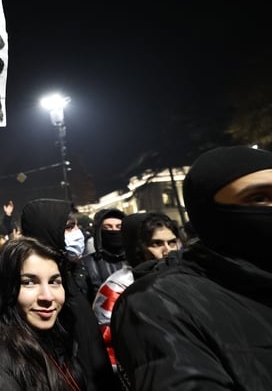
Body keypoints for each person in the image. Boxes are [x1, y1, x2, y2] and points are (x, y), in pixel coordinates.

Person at [112, 145, 272, 389]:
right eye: (259, 198)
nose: (166, 249)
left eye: (171, 242)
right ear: (209, 214)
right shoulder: (156, 302)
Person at [0, 237, 84, 390]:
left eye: (54, 282)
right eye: (29, 283)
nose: (47, 296)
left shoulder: (57, 341)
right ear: (6, 289)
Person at [18, 198, 118, 391]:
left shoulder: (70, 275)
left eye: (76, 226)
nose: (78, 234)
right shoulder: (37, 296)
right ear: (47, 231)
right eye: (69, 228)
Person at [92, 212, 182, 372]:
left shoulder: (184, 277)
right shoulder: (117, 287)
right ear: (137, 247)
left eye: (172, 242)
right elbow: (108, 346)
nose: (167, 251)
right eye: (157, 244)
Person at [81, 208, 126, 302]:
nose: (114, 230)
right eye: (107, 227)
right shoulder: (86, 264)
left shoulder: (136, 260)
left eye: (119, 227)